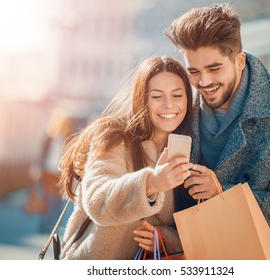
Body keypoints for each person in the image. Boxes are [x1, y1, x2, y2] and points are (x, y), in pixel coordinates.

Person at [162, 3, 270, 259]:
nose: (204, 82)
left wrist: (225, 193)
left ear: (239, 61)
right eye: (194, 71)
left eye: (214, 68)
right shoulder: (180, 114)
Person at [58, 55, 194, 259]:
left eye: (177, 95)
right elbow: (97, 201)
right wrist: (152, 183)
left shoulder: (188, 148)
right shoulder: (114, 137)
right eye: (157, 96)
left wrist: (165, 238)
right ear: (142, 98)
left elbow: (190, 228)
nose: (169, 105)